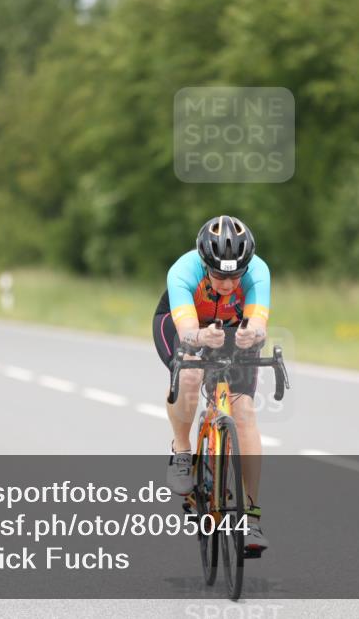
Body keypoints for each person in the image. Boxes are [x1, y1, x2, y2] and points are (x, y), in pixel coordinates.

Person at [152, 215, 271, 554]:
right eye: (218, 275)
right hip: (183, 324)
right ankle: (182, 451)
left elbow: (259, 321)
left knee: (244, 411)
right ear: (204, 264)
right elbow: (188, 329)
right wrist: (200, 336)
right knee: (189, 371)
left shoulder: (259, 272)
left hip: (233, 329)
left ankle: (251, 515)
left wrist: (253, 334)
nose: (227, 284)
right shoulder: (182, 271)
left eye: (235, 275)